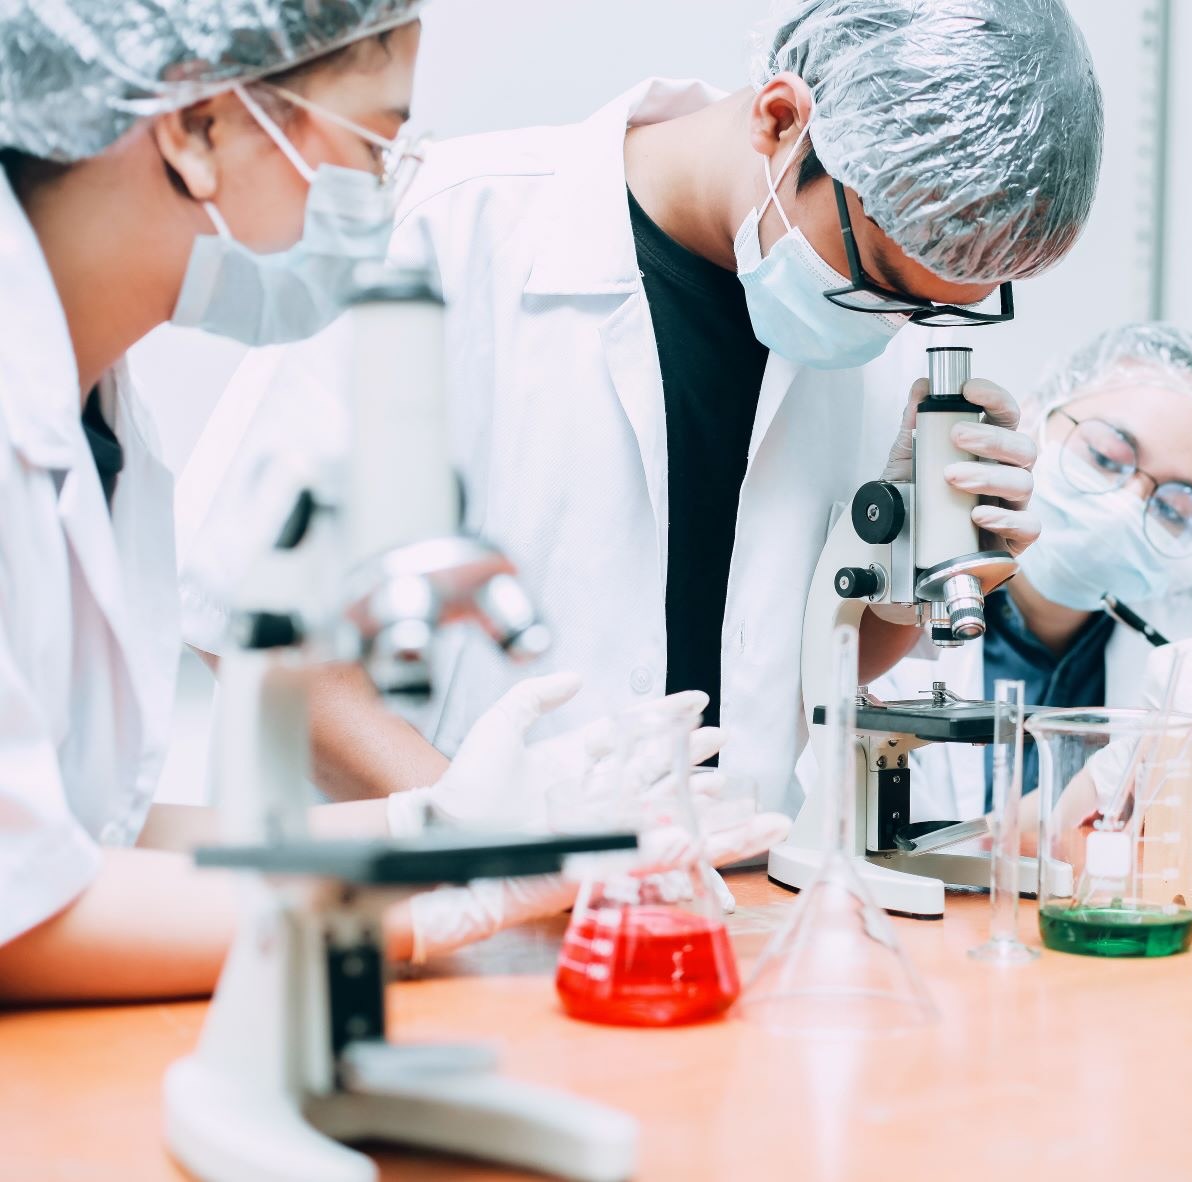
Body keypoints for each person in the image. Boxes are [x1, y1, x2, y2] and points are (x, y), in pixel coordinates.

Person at [176, 0, 1106, 820]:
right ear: (781, 119)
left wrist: (906, 576)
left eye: (935, 305)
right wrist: (476, 838)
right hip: (425, 916)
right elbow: (255, 627)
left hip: (715, 904)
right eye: (886, 279)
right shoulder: (449, 230)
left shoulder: (860, 319)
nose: (895, 322)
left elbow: (787, 665)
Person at [0, 1, 759, 1004]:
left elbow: (83, 838)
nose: (385, 195)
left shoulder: (96, 413)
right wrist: (438, 898)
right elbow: (23, 918)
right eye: (376, 145)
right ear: (196, 126)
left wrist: (442, 829)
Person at [865, 322, 1192, 823]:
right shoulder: (910, 590)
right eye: (1105, 457)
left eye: (1175, 509)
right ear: (1037, 415)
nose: (1126, 510)